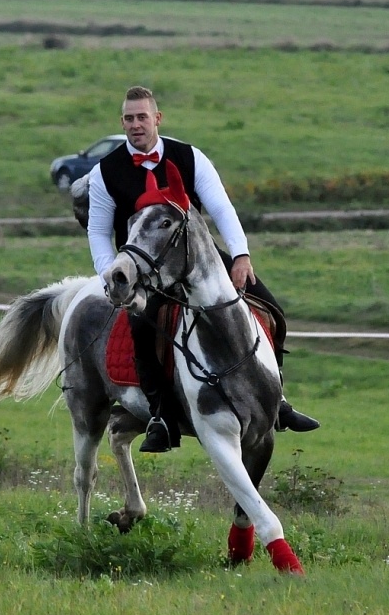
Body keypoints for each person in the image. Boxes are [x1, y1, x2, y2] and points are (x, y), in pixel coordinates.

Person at [82, 85, 320, 453]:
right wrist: (111, 275)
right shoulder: (105, 172)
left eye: (142, 117)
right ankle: (160, 417)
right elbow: (98, 232)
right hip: (145, 274)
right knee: (143, 335)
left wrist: (240, 256)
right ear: (122, 122)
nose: (135, 125)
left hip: (200, 262)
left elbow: (222, 209)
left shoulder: (190, 157)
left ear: (157, 119)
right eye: (129, 119)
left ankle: (278, 400)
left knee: (271, 310)